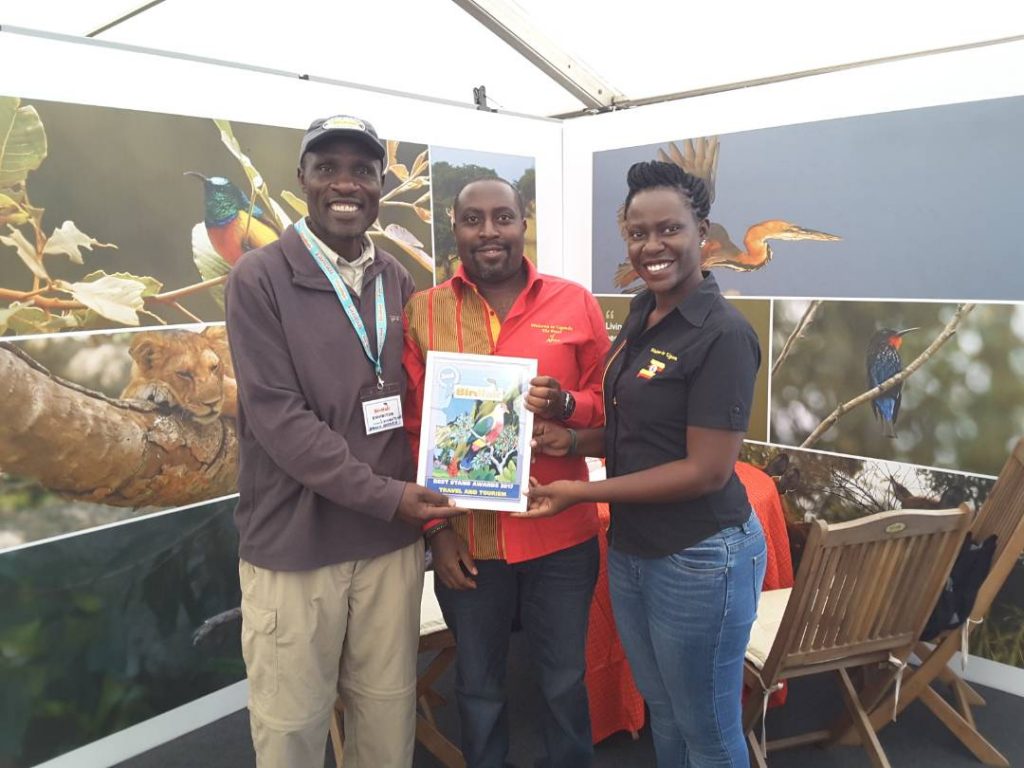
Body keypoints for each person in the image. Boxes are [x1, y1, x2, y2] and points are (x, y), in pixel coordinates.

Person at [225, 114, 463, 768]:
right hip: (298, 548)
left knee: (387, 714)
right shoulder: (259, 279)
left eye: (361, 170)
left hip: (388, 547)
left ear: (380, 185)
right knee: (293, 724)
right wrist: (390, 497)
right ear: (302, 179)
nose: (345, 184)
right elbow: (280, 421)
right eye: (327, 168)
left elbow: (416, 403)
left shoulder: (396, 281)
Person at [524, 160, 766, 767]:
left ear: (702, 233)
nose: (651, 246)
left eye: (669, 230)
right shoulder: (643, 314)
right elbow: (641, 434)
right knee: (665, 714)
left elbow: (706, 470)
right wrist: (572, 444)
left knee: (708, 728)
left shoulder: (722, 333)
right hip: (635, 552)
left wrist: (579, 494)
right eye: (637, 233)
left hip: (701, 555)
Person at [403, 177, 610, 767]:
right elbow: (413, 433)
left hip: (561, 536)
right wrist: (435, 535)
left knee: (564, 683)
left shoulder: (574, 303)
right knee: (479, 689)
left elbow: (606, 402)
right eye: (474, 220)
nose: (488, 232)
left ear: (524, 223)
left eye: (502, 218)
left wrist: (566, 412)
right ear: (454, 226)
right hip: (467, 540)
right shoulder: (424, 312)